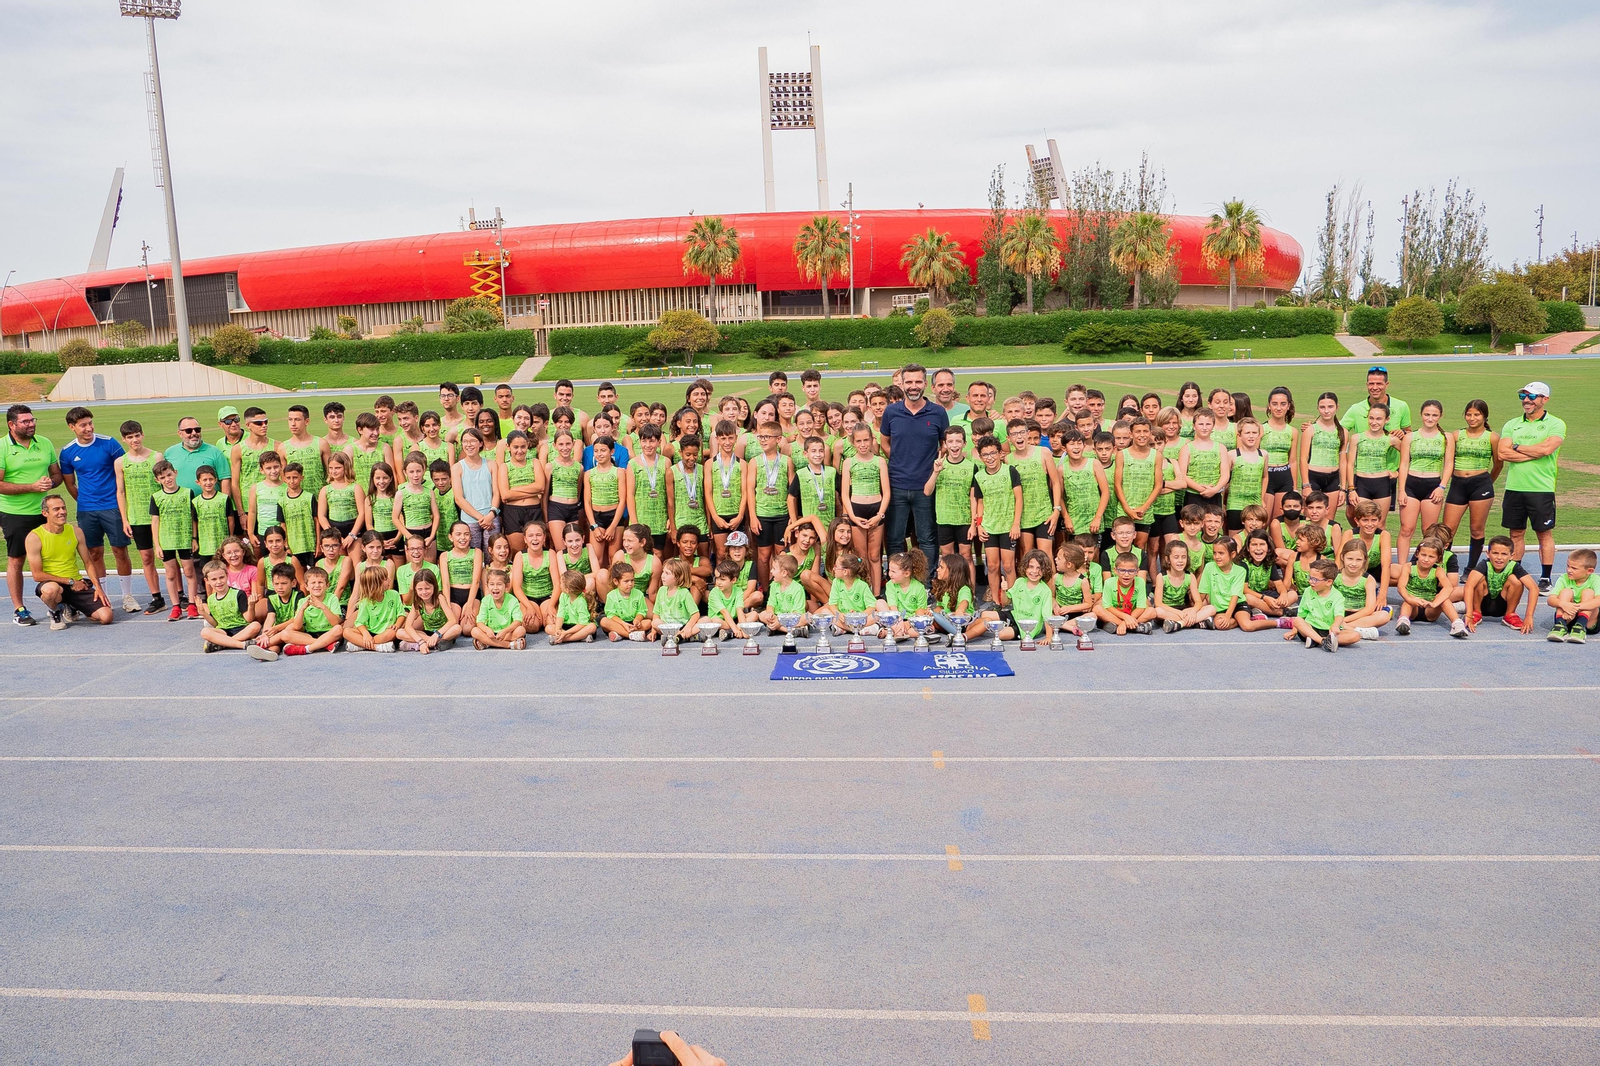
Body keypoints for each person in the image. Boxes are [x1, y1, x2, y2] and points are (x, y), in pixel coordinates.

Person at [59, 406, 139, 613]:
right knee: (94, 553)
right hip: (87, 510)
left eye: (90, 423)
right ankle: (101, 596)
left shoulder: (109, 443)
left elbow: (123, 471)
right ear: (72, 427)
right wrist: (84, 501)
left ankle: (127, 596)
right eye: (83, 425)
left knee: (120, 550)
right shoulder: (67, 452)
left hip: (112, 506)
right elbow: (70, 483)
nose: (89, 428)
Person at [1496, 381, 1565, 592]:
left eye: (1532, 396)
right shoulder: (1511, 424)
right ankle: (1515, 573)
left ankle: (1545, 577)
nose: (1526, 400)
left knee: (1544, 534)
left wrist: (1517, 447)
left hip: (1541, 489)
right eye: (1523, 396)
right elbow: (1502, 453)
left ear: (1545, 399)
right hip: (1514, 488)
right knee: (1515, 533)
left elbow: (1546, 449)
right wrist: (1532, 451)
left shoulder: (1556, 423)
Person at [879, 363, 947, 563]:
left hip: (926, 486)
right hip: (897, 484)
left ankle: (926, 582)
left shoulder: (937, 412)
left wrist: (931, 464)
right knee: (894, 538)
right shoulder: (891, 412)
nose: (913, 386)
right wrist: (900, 458)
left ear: (926, 384)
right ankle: (896, 578)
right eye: (909, 382)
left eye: (918, 381)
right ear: (902, 384)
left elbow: (944, 443)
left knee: (927, 538)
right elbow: (885, 442)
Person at [1, 404, 62, 625]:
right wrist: (32, 487)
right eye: (25, 421)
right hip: (15, 512)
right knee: (17, 559)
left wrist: (51, 482)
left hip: (45, 512)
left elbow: (56, 474)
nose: (31, 424)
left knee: (53, 556)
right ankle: (19, 609)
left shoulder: (44, 443)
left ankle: (56, 602)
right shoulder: (2, 447)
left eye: (32, 420)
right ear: (12, 424)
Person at [24, 493, 112, 630]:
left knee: (106, 617)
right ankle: (55, 612)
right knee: (50, 590)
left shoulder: (76, 532)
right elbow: (37, 575)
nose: (62, 512)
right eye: (56, 509)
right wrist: (70, 581)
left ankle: (72, 605)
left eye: (63, 508)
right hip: (54, 583)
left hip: (76, 584)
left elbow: (88, 562)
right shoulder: (35, 537)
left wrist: (98, 588)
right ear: (45, 513)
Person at [1339, 366, 1411, 524]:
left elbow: (1408, 435)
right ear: (1366, 385)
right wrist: (1313, 426)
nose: (1375, 387)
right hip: (1360, 472)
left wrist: (1403, 434)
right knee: (1353, 514)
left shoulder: (1401, 406)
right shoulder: (1356, 409)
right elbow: (1339, 429)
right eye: (1371, 383)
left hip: (1387, 472)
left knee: (1379, 520)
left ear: (1387, 384)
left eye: (1379, 383)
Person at [1463, 535, 1538, 633]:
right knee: (1478, 578)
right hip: (1482, 603)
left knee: (1515, 580)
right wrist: (1468, 614)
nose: (1499, 557)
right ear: (1488, 554)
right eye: (1495, 553)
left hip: (1502, 604)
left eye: (1504, 554)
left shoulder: (1515, 567)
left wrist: (1529, 616)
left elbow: (1534, 588)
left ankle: (1510, 615)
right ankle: (1476, 613)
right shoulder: (1484, 565)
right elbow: (1469, 586)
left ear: (1512, 555)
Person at [1545, 548, 1599, 643]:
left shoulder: (1595, 579)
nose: (1569, 570)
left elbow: (1598, 601)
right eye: (1568, 566)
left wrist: (1574, 608)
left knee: (1588, 592)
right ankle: (1560, 626)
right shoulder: (1564, 578)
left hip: (1588, 621)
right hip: (1567, 617)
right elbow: (1551, 600)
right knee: (1566, 592)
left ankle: (1580, 627)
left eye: (1574, 568)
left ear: (1589, 571)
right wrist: (1564, 605)